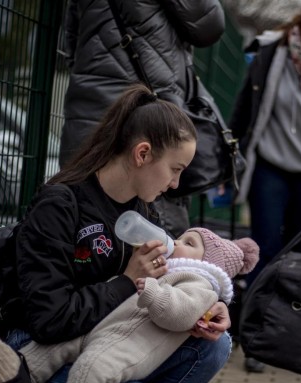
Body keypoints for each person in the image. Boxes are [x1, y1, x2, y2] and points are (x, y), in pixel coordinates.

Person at [0, 85, 233, 383]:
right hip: (39, 352)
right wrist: (126, 281)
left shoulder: (143, 208)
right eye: (175, 169)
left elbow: (171, 279)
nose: (175, 184)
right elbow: (49, 320)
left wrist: (206, 308)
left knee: (216, 346)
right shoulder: (61, 205)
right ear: (142, 154)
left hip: (102, 343)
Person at [20, 228, 257, 383]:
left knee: (92, 368)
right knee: (49, 350)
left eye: (189, 243)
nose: (175, 242)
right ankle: (14, 381)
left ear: (208, 263)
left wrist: (154, 293)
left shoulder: (200, 285)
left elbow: (181, 313)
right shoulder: (168, 270)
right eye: (180, 237)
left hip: (122, 348)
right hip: (98, 329)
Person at [229, 0, 301, 373]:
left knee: (297, 258)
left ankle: (283, 333)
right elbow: (244, 108)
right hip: (271, 166)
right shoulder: (273, 51)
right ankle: (252, 338)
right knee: (265, 248)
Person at [58, 0, 226, 236]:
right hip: (152, 115)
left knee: (85, 227)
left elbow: (72, 42)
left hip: (90, 108)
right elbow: (209, 25)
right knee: (157, 238)